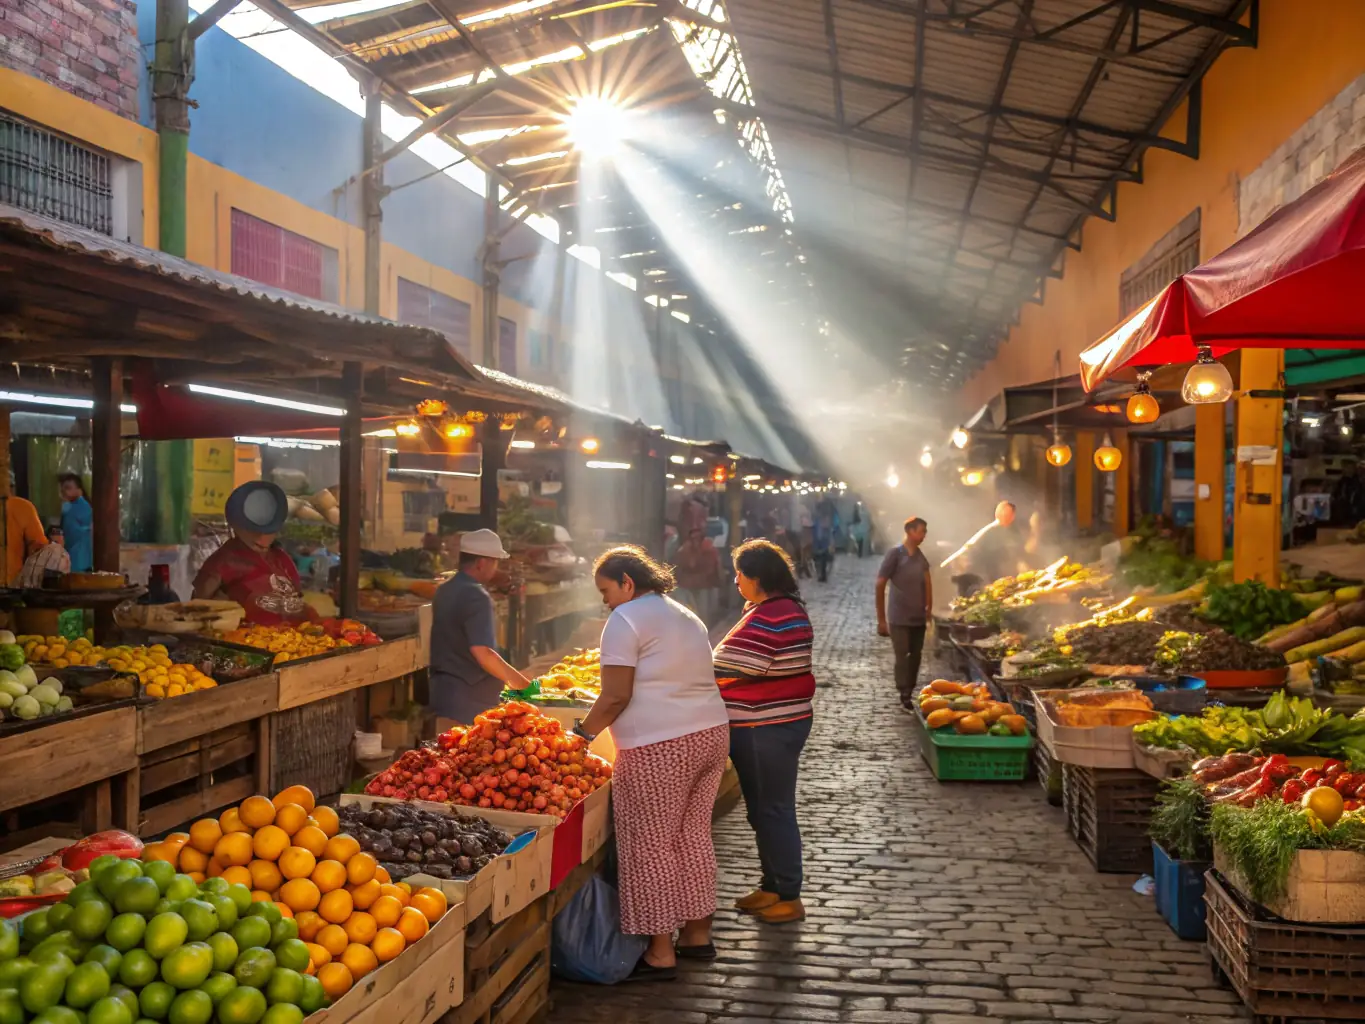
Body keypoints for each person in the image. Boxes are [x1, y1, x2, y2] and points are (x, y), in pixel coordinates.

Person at [575, 546, 729, 981]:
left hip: (659, 746)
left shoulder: (624, 620)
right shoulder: (684, 613)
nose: (604, 601)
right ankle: (698, 935)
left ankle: (661, 952)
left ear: (627, 582)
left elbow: (615, 695)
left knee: (649, 845)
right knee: (693, 835)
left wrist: (583, 735)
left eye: (606, 590)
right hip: (711, 734)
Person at [712, 539, 814, 924]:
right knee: (761, 809)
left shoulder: (775, 615)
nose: (735, 580)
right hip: (766, 724)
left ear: (757, 577)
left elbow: (731, 665)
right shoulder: (771, 608)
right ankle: (772, 884)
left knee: (773, 810)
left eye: (740, 573)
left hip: (766, 726)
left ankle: (789, 893)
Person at [428, 529, 532, 730]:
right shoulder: (477, 596)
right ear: (481, 563)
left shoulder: (444, 590)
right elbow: (483, 653)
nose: (496, 569)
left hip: (445, 696)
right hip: (469, 702)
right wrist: (524, 687)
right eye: (495, 562)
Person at [192, 481, 312, 624]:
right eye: (253, 530)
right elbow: (196, 607)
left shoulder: (281, 559)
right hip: (245, 640)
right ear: (236, 525)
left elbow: (298, 598)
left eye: (269, 531)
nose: (262, 538)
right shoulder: (223, 561)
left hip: (293, 638)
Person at [876, 517, 933, 709]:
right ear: (910, 531)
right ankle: (903, 692)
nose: (924, 535)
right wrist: (881, 620)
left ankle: (910, 688)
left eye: (925, 532)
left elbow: (927, 582)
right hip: (899, 617)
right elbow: (880, 583)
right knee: (902, 655)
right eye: (921, 531)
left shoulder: (920, 557)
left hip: (918, 616)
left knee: (916, 655)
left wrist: (928, 608)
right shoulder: (895, 554)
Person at [675, 527, 721, 625]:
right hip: (689, 586)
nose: (695, 540)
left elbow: (711, 568)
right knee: (690, 611)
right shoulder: (685, 550)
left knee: (703, 613)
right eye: (693, 538)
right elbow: (681, 566)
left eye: (697, 538)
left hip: (704, 585)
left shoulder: (709, 549)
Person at [1, 490, 47, 586]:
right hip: (12, 587)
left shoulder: (21, 507)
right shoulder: (21, 507)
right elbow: (39, 549)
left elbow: (38, 548)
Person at [58, 473, 93, 573]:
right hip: (74, 557)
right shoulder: (69, 507)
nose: (64, 491)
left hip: (79, 558)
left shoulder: (83, 507)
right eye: (63, 489)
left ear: (79, 490)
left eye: (68, 488)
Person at [18, 523, 70, 587]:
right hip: (43, 594)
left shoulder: (33, 555)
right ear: (62, 538)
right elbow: (52, 580)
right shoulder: (61, 553)